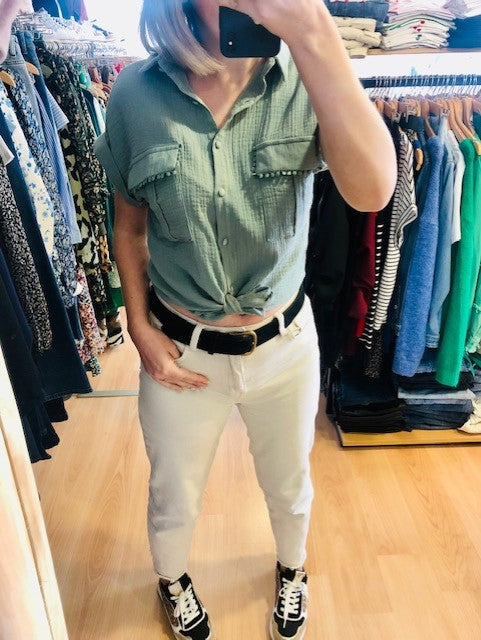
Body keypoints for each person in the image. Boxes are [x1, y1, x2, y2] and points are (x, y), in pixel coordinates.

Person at [95, 1, 397, 638]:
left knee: (290, 485)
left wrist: (315, 32)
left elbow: (373, 191)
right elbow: (128, 225)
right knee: (174, 494)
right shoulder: (133, 95)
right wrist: (138, 325)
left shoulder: (307, 76)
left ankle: (293, 568)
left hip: (284, 346)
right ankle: (172, 578)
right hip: (180, 351)